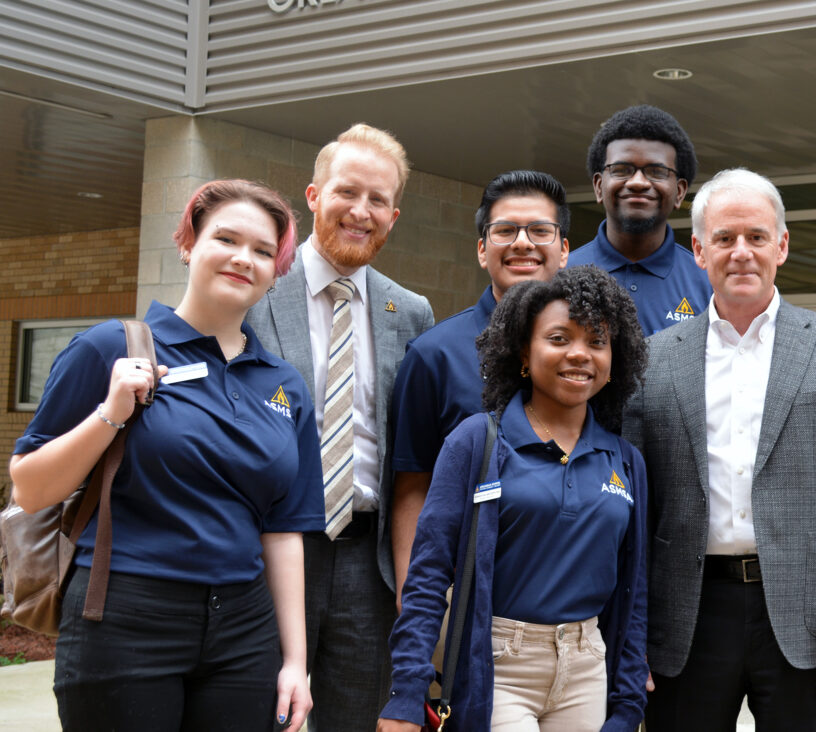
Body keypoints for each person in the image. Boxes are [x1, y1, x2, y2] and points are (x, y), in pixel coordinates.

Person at [10, 179, 322, 732]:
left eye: (262, 251)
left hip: (244, 630)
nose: (242, 259)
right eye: (225, 238)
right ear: (187, 245)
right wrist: (110, 412)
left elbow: (283, 530)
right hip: (125, 615)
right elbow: (30, 489)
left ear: (277, 270)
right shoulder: (112, 347)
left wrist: (295, 661)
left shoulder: (286, 384)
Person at [623, 167, 816, 731]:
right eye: (724, 238)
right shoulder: (652, 360)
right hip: (685, 620)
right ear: (698, 250)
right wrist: (630, 631)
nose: (740, 252)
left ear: (782, 245)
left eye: (756, 237)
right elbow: (634, 511)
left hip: (806, 622)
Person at [378, 266, 649, 731]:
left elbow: (634, 590)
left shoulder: (625, 460)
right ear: (524, 352)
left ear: (614, 360)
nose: (580, 355)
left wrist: (627, 704)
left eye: (597, 342)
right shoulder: (477, 442)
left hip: (586, 667)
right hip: (499, 664)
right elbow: (427, 577)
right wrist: (406, 692)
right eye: (560, 338)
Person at [247, 123, 434, 731]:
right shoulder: (255, 292)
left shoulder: (409, 311)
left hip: (367, 560)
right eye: (346, 193)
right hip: (268, 550)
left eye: (378, 200)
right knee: (258, 715)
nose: (361, 211)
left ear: (394, 214)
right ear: (312, 196)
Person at [390, 169, 570, 603]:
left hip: (568, 594)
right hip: (465, 593)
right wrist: (412, 599)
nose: (522, 242)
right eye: (505, 230)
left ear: (564, 250)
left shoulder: (591, 356)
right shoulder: (434, 355)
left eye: (540, 231)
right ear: (481, 249)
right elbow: (413, 484)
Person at [569, 104, 712, 335]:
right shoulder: (559, 276)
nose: (638, 182)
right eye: (621, 169)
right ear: (598, 186)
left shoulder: (708, 284)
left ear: (680, 192)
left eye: (657, 171)